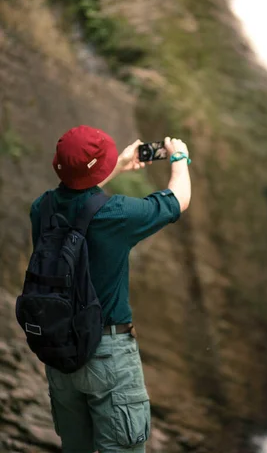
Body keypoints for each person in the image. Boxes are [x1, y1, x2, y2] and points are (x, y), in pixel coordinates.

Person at [29, 125, 191, 453]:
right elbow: (178, 201)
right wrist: (179, 158)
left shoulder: (41, 209)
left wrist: (116, 165)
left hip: (60, 353)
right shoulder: (116, 214)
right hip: (108, 355)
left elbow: (77, 198)